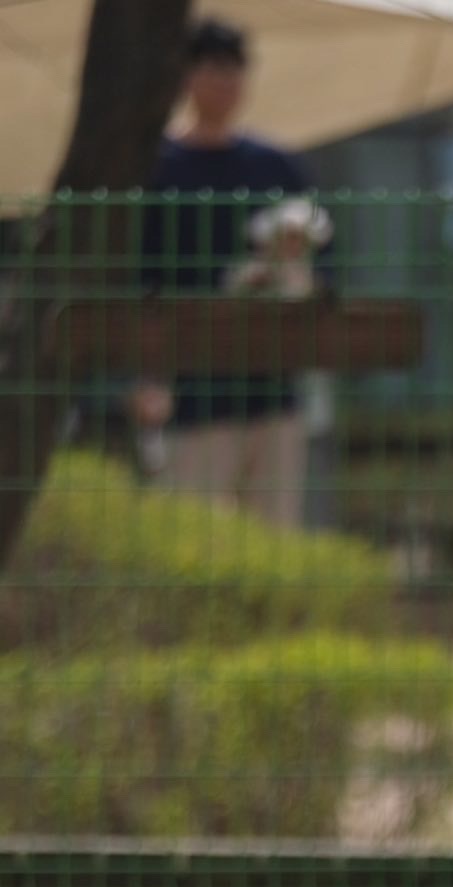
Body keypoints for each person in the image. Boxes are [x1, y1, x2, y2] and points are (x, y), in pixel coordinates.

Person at [135, 17, 325, 526]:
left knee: (276, 541)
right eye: (213, 69)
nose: (225, 82)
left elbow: (325, 263)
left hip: (273, 390)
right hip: (190, 393)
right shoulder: (157, 171)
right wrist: (142, 378)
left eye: (235, 70)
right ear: (186, 76)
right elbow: (135, 278)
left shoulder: (277, 167)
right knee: (188, 542)